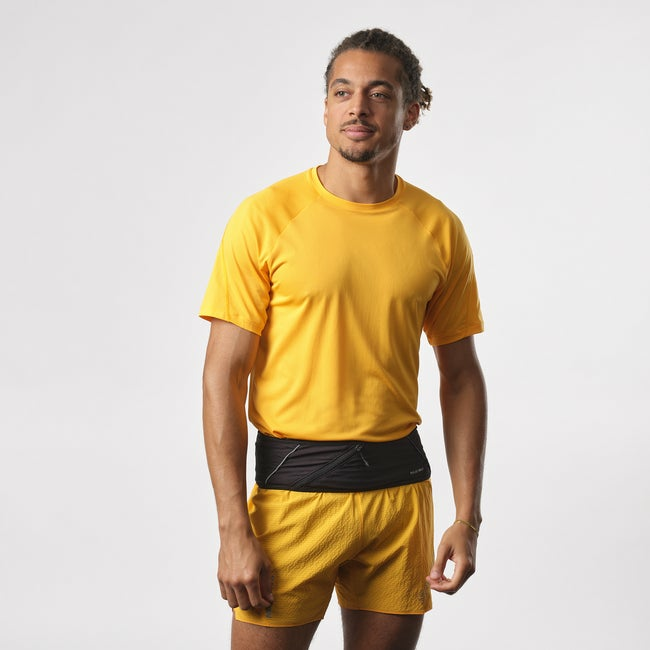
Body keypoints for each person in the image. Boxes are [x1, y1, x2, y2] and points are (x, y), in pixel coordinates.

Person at [200, 27, 487, 650]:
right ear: (326, 107)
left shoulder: (439, 228)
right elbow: (223, 375)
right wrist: (232, 528)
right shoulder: (265, 217)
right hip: (293, 498)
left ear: (411, 111)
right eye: (342, 91)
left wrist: (467, 518)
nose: (358, 107)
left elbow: (461, 375)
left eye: (379, 93)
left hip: (399, 500)